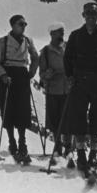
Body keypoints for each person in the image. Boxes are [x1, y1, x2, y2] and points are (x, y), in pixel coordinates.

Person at [63, 2, 97, 173]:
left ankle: (93, 153)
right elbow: (67, 58)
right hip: (79, 82)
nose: (91, 17)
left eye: (94, 14)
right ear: (83, 15)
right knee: (78, 117)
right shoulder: (75, 36)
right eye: (88, 14)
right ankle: (80, 153)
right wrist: (70, 76)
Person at [0, 14, 40, 161]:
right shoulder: (3, 41)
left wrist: (31, 72)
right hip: (7, 76)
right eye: (21, 24)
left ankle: (22, 142)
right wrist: (3, 75)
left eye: (25, 24)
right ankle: (12, 141)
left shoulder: (28, 41)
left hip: (21, 76)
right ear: (13, 25)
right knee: (8, 108)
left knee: (23, 108)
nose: (23, 27)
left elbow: (35, 57)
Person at [39, 22, 69, 157]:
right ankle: (58, 145)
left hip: (67, 89)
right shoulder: (45, 52)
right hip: (53, 89)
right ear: (52, 34)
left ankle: (67, 146)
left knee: (68, 118)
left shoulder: (68, 48)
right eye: (59, 33)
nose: (61, 35)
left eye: (62, 32)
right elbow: (42, 74)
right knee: (55, 120)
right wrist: (47, 75)